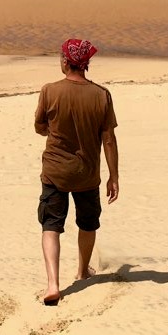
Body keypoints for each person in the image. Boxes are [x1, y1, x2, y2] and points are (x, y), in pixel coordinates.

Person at [34, 38, 119, 306]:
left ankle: (53, 284)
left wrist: (56, 131)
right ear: (86, 64)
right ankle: (82, 271)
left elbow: (39, 127)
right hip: (87, 174)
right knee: (88, 223)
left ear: (64, 61)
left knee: (51, 225)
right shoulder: (101, 95)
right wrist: (114, 176)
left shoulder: (49, 91)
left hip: (55, 172)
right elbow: (108, 139)